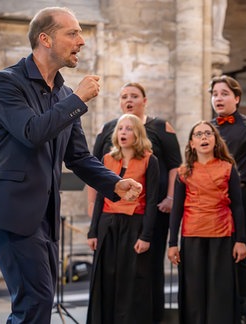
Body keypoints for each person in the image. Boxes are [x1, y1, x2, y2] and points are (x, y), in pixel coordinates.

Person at [0, 7, 142, 323]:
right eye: (73, 33)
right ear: (45, 39)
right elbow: (31, 133)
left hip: (45, 216)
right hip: (11, 210)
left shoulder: (64, 94)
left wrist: (114, 183)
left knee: (38, 302)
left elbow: (78, 156)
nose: (81, 41)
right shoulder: (6, 82)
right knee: (34, 302)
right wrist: (78, 100)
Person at [89, 82, 181, 322]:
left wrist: (170, 198)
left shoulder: (160, 127)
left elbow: (175, 166)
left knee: (145, 271)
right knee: (109, 272)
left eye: (134, 96)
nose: (128, 100)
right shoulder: (109, 129)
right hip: (111, 215)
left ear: (144, 100)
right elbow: (94, 173)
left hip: (150, 212)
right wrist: (93, 215)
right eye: (124, 96)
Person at [167, 121, 246, 324]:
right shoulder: (184, 171)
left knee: (219, 289)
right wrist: (172, 243)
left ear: (215, 140)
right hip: (192, 234)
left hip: (221, 234)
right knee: (194, 290)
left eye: (208, 133)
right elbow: (177, 209)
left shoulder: (228, 169)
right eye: (198, 134)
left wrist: (241, 240)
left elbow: (238, 206)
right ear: (192, 143)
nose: (204, 137)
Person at [86, 114, 159, 323]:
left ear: (138, 134)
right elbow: (100, 197)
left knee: (132, 279)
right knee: (105, 277)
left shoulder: (149, 160)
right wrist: (93, 231)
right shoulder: (107, 159)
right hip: (107, 223)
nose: (123, 132)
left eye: (129, 129)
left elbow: (152, 200)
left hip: (134, 224)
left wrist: (146, 236)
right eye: (120, 129)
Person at [209, 75, 246, 322]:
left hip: (243, 195)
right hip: (213, 197)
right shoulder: (208, 128)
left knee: (240, 252)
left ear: (237, 98)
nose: (218, 98)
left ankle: (242, 309)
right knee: (218, 252)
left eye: (224, 93)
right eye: (215, 94)